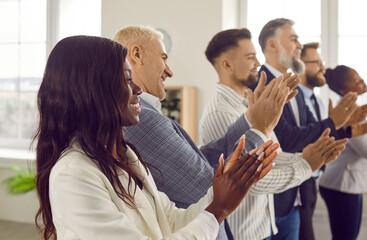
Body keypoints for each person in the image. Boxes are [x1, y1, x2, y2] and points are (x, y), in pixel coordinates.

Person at [34, 35, 279, 240]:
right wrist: (217, 209)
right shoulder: (73, 173)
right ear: (92, 90)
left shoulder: (125, 156)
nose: (138, 89)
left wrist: (219, 192)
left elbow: (169, 219)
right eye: (127, 80)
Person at [113, 25, 298, 240]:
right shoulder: (141, 118)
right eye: (164, 57)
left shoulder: (144, 113)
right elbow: (207, 187)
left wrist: (252, 120)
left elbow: (202, 159)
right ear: (136, 55)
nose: (170, 71)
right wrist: (262, 127)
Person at [199, 28, 348, 240]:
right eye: (250, 57)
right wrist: (307, 165)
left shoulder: (246, 107)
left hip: (263, 227)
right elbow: (254, 180)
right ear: (227, 65)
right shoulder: (221, 113)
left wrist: (306, 156)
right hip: (243, 233)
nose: (258, 63)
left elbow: (271, 156)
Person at [249, 18, 357, 240]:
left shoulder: (290, 82)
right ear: (272, 45)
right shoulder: (261, 84)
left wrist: (342, 127)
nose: (299, 45)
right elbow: (286, 140)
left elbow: (310, 131)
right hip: (274, 201)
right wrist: (333, 122)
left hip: (300, 194)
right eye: (294, 39)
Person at [319, 65, 367, 240]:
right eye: (357, 80)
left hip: (348, 184)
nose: (362, 81)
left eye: (360, 76)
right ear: (343, 90)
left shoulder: (356, 108)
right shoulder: (347, 113)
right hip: (341, 185)